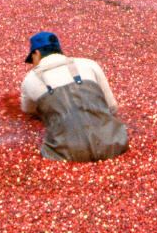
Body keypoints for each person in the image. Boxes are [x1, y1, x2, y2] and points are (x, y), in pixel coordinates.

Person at [19, 31, 129, 162]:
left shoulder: (30, 79)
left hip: (64, 153)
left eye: (32, 60)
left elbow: (28, 110)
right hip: (113, 143)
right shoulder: (89, 64)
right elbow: (112, 107)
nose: (33, 65)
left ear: (36, 53)